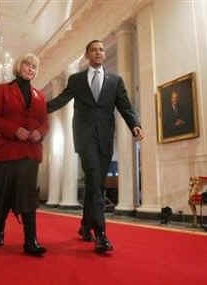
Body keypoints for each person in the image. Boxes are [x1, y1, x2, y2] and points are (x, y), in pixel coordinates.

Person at [47, 40, 144, 253]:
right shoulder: (77, 79)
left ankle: (84, 225)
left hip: (105, 139)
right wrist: (38, 109)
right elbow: (62, 99)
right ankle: (100, 233)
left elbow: (125, 105)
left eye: (101, 49)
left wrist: (135, 125)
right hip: (85, 137)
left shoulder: (115, 81)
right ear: (87, 55)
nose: (99, 52)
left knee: (95, 183)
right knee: (93, 176)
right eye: (94, 49)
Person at [0, 53, 49, 256]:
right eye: (28, 65)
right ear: (19, 66)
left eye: (34, 67)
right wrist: (14, 130)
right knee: (4, 195)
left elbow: (45, 122)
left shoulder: (40, 95)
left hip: (30, 152)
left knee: (28, 196)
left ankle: (31, 241)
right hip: (7, 151)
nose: (31, 69)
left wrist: (41, 132)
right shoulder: (2, 89)